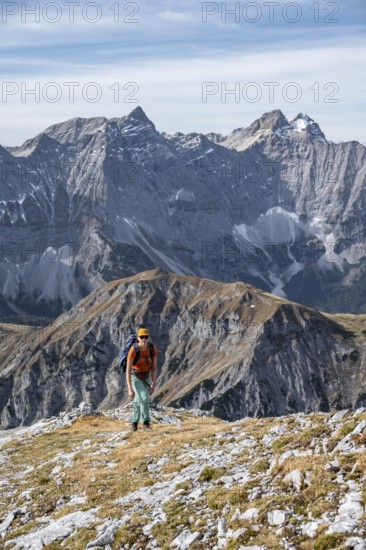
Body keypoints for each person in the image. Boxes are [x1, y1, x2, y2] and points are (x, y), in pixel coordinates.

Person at [126, 327, 157, 431]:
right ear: (137, 338)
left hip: (146, 377)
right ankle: (146, 423)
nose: (144, 339)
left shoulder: (152, 349)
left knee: (138, 400)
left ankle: (134, 424)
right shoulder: (133, 350)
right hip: (135, 377)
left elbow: (154, 367)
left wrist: (153, 383)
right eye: (141, 337)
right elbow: (128, 370)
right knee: (144, 398)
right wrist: (130, 388)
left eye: (146, 337)